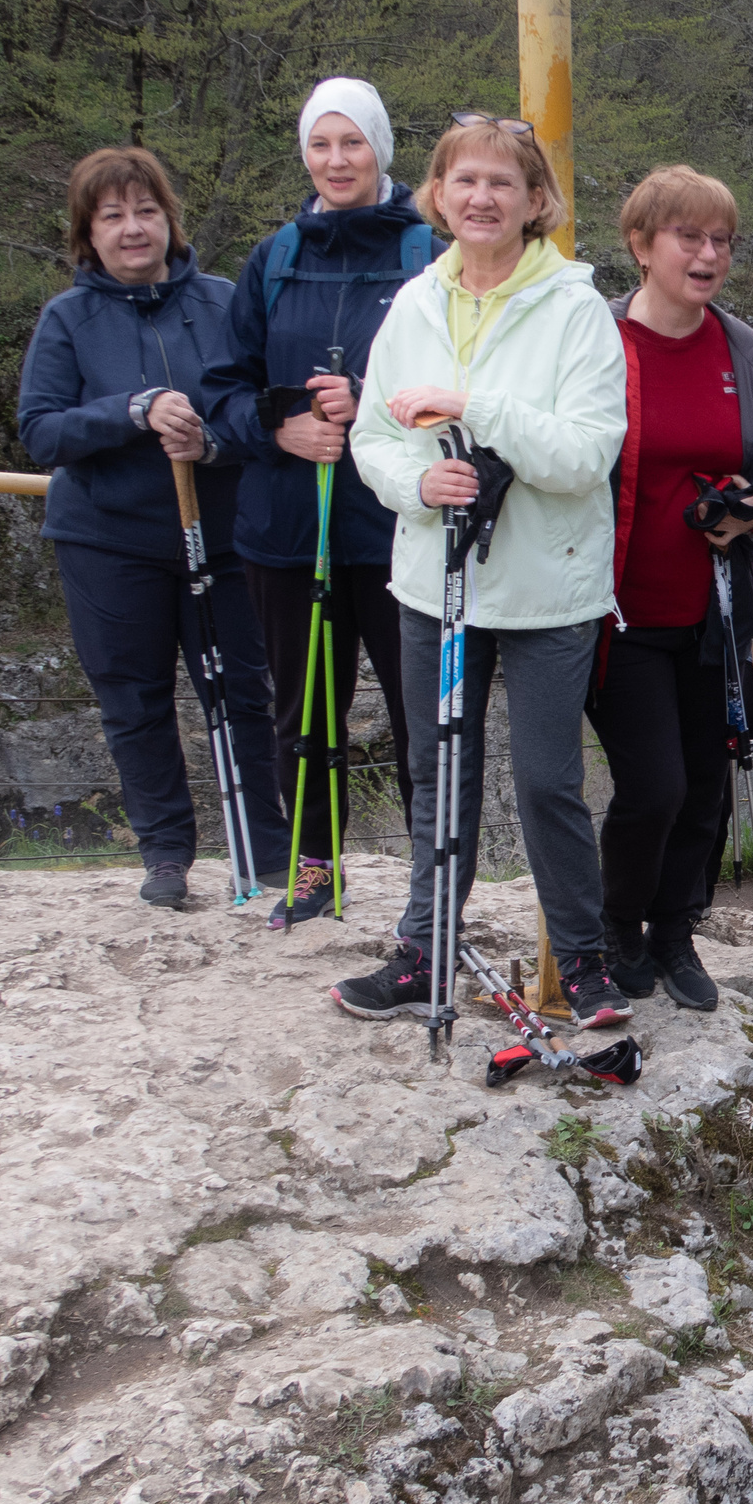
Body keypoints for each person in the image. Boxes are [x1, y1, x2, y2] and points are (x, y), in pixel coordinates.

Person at [334, 113, 630, 1032]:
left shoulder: (576, 308)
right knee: (438, 771)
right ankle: (424, 950)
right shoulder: (415, 303)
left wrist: (475, 407)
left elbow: (587, 455)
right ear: (437, 194)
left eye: (502, 183)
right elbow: (373, 436)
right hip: (437, 586)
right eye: (464, 181)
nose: (481, 198)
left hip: (548, 591)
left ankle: (582, 963)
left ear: (536, 200)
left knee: (547, 780)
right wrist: (419, 482)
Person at [17, 145, 289, 912]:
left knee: (241, 690)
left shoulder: (223, 301)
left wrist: (212, 439)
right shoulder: (68, 319)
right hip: (107, 540)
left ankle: (264, 853)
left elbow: (262, 411)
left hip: (227, 535)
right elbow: (41, 432)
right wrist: (132, 411)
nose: (133, 229)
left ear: (170, 220)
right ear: (88, 234)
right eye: (113, 217)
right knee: (134, 699)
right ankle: (167, 854)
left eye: (146, 212)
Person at [207, 77, 435, 928]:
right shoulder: (275, 260)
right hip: (285, 528)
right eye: (320, 145)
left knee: (420, 713)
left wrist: (368, 398)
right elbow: (222, 392)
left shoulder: (428, 254)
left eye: (352, 143)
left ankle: (429, 876)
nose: (337, 161)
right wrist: (282, 432)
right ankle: (314, 870)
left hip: (395, 528)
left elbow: (459, 388)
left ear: (381, 147)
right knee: (303, 711)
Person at [598, 165, 753, 1010]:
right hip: (617, 609)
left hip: (719, 611)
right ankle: (617, 928)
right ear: (643, 244)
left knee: (705, 781)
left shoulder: (750, 355)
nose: (709, 253)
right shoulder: (594, 341)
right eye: (690, 236)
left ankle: (676, 933)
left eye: (722, 239)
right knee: (652, 786)